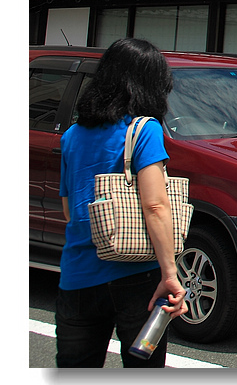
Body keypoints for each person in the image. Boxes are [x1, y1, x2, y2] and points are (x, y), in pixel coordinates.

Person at [55, 37, 188, 368]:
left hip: (77, 276)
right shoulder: (144, 129)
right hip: (138, 278)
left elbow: (70, 210)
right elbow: (156, 205)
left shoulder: (71, 135)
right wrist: (170, 273)